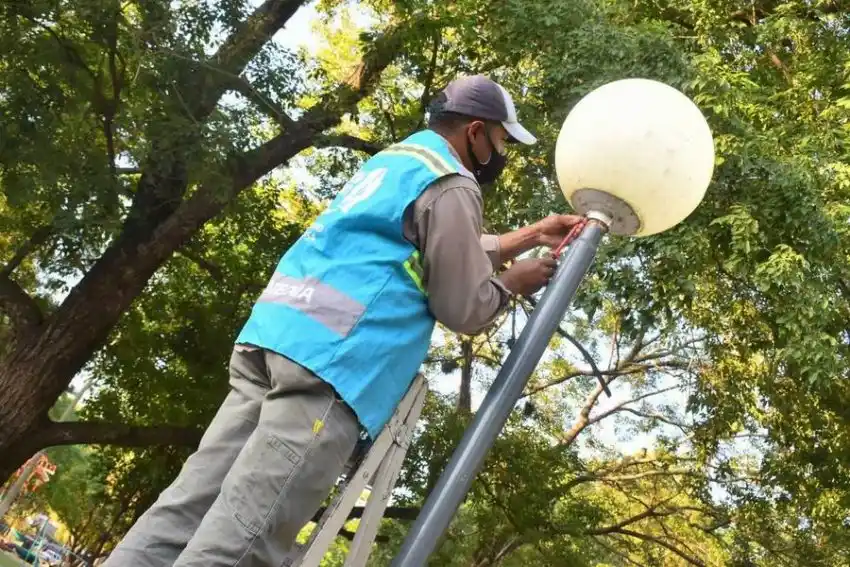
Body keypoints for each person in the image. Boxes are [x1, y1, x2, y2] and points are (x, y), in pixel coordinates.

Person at [103, 75, 584, 567]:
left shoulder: (400, 162)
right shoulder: (453, 184)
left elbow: (421, 248)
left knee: (183, 512)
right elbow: (462, 304)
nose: (502, 153)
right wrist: (512, 284)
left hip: (274, 342)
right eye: (503, 141)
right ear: (476, 132)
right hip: (333, 364)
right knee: (244, 538)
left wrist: (527, 236)